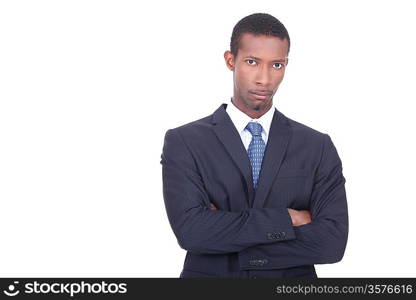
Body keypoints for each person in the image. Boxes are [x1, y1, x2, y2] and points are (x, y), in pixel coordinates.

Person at [160, 13, 348, 278]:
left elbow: (332, 243)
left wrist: (227, 237)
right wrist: (289, 219)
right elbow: (192, 232)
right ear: (230, 60)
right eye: (252, 62)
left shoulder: (316, 146)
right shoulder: (185, 141)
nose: (264, 79)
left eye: (276, 65)